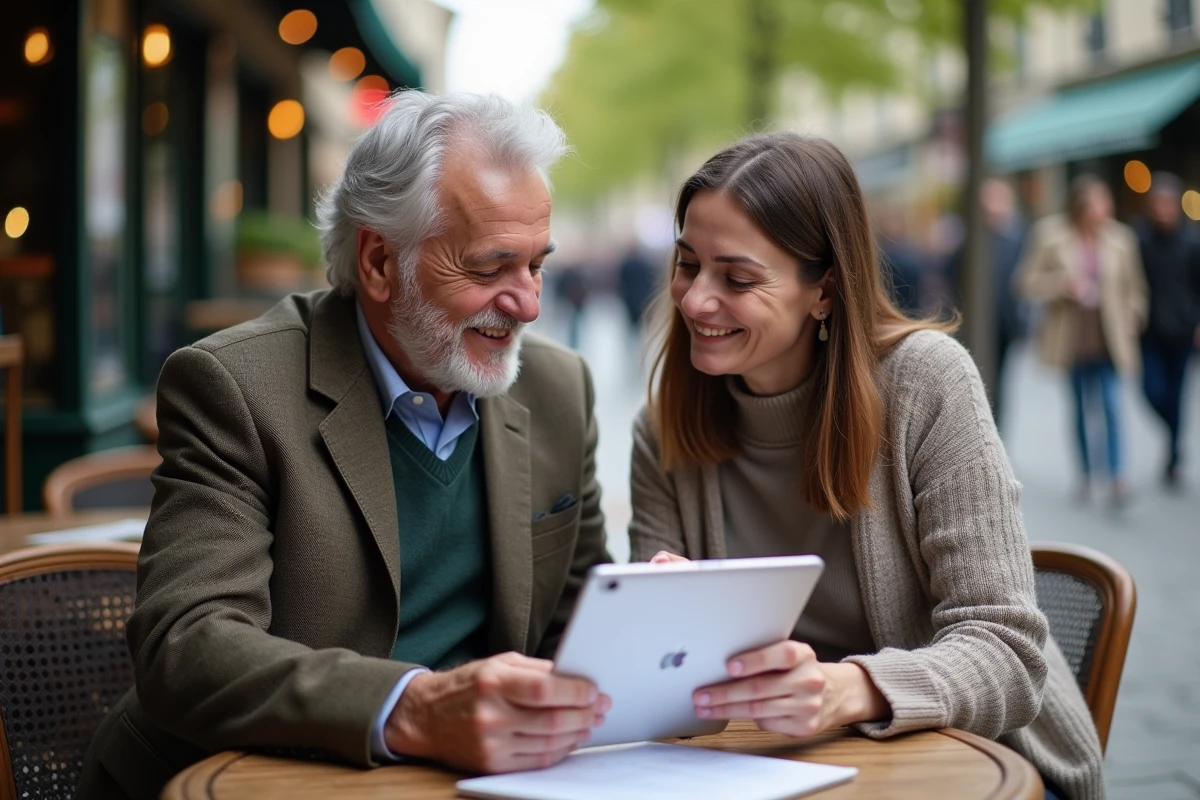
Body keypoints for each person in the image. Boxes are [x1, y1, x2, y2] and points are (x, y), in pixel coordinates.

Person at [78, 92, 612, 799]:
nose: (529, 304)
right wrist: (415, 707)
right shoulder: (235, 385)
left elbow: (578, 626)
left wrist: (657, 624)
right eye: (490, 269)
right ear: (380, 262)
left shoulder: (557, 387)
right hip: (245, 781)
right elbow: (188, 647)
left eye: (536, 265)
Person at [629, 133, 1104, 800]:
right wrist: (659, 630)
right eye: (686, 265)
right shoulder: (662, 429)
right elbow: (661, 686)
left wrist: (849, 690)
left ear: (823, 291)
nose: (696, 300)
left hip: (982, 763)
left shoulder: (926, 385)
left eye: (736, 278)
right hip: (772, 769)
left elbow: (1008, 653)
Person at [1016, 175, 1148, 505]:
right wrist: (1063, 285)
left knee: (1112, 405)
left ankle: (1117, 477)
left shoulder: (1121, 238)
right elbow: (1026, 282)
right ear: (1081, 206)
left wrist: (1135, 312)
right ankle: (1087, 475)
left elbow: (1136, 286)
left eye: (1107, 203)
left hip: (1110, 337)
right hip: (1072, 339)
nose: (1106, 209)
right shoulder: (1050, 235)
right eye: (1099, 203)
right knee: (1079, 408)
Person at [1136, 172, 1200, 488]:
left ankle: (1173, 458)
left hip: (1183, 331)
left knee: (1177, 396)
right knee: (1151, 391)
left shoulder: (1191, 242)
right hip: (1149, 332)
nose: (1163, 209)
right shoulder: (1141, 241)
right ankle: (1171, 431)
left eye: (1168, 204)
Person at [950, 179, 1027, 430]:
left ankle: (997, 431)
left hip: (1005, 324)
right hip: (976, 324)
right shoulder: (970, 241)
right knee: (978, 379)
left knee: (1001, 383)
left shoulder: (1016, 239)